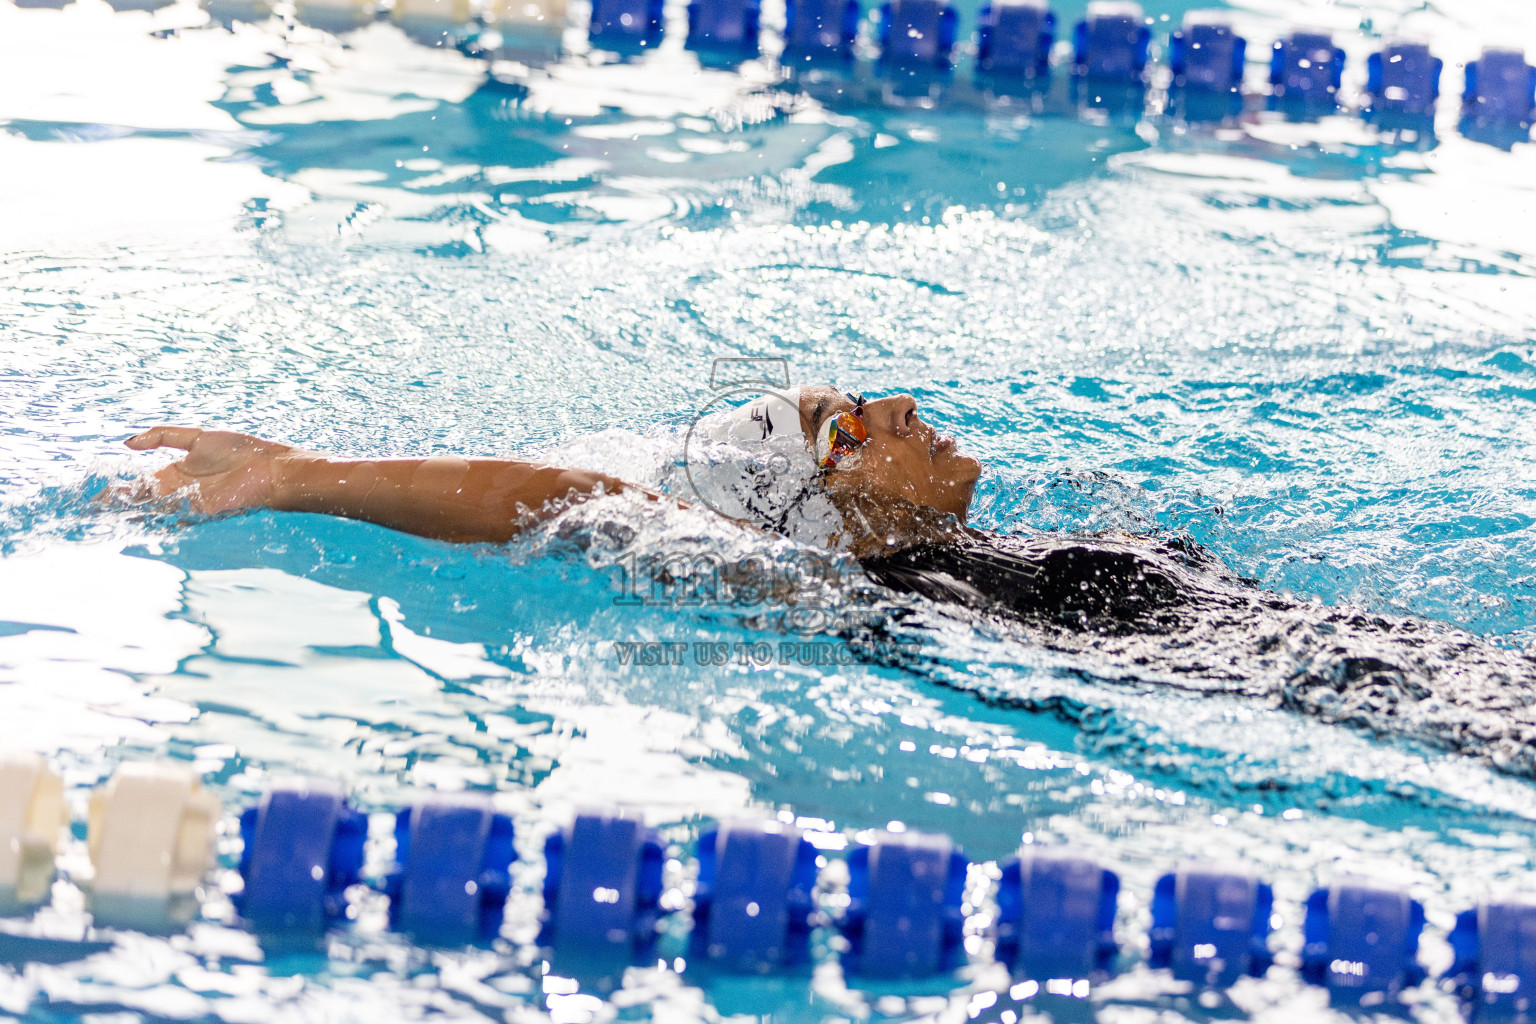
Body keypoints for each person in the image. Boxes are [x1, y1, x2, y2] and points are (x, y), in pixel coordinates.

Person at [121, 384, 1536, 777]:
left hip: (1362, 671)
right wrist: (302, 473)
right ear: (819, 514)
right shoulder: (898, 596)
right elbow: (552, 502)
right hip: (1358, 706)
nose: (899, 410)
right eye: (847, 429)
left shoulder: (993, 551)